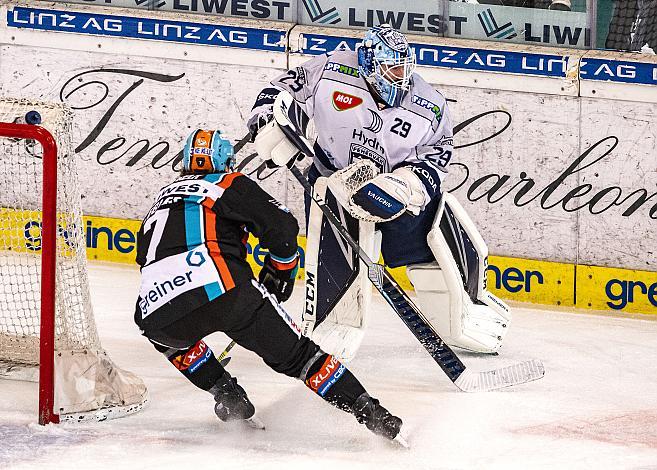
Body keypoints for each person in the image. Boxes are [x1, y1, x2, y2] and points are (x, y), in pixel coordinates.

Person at [247, 24, 511, 361]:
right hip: (333, 182)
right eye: (392, 70)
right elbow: (281, 90)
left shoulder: (429, 104)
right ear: (370, 64)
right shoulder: (331, 70)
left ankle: (466, 313)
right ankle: (332, 325)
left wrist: (405, 185)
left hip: (390, 193)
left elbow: (439, 155)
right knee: (333, 260)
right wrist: (266, 118)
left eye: (404, 68)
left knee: (430, 245)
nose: (401, 78)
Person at [133, 128, 404, 443]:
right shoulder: (227, 183)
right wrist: (281, 269)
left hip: (156, 307)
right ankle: (372, 413)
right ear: (227, 162)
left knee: (166, 336)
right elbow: (281, 225)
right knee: (301, 358)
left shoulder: (160, 200)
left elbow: (145, 257)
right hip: (227, 291)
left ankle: (227, 394)